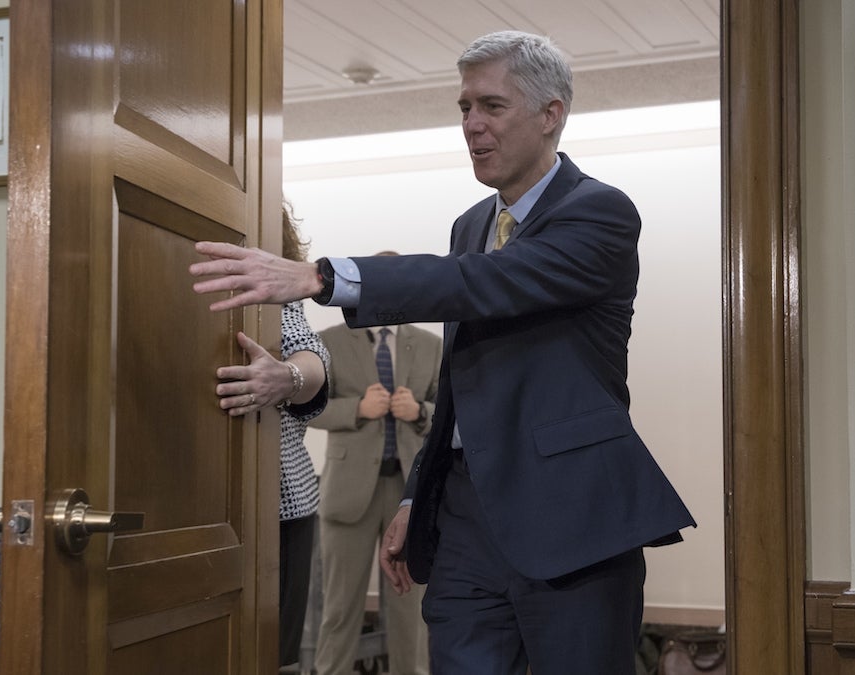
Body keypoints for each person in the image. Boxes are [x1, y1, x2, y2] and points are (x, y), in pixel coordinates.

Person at [190, 30, 696, 675]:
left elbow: (486, 282)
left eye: (492, 106)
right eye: (464, 108)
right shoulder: (470, 224)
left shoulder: (600, 212)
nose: (472, 126)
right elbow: (464, 385)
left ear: (551, 114)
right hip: (464, 521)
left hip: (572, 517)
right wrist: (415, 500)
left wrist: (324, 276)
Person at [210, 201, 329, 667]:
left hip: (283, 504)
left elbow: (312, 357)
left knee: (273, 655)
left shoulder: (276, 295)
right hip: (194, 509)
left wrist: (288, 379)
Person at [309, 254, 441, 675]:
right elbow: (305, 410)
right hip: (347, 495)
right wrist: (356, 409)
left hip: (408, 497)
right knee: (339, 610)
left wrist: (420, 410)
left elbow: (454, 415)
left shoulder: (431, 345)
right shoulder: (328, 341)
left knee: (410, 615)